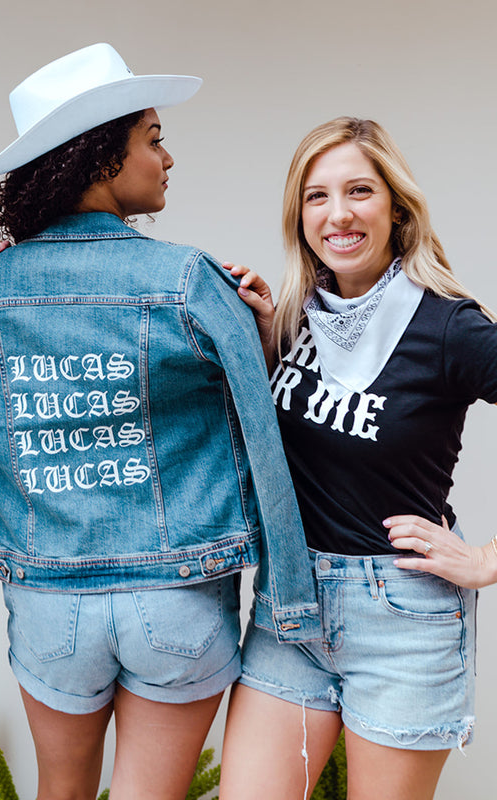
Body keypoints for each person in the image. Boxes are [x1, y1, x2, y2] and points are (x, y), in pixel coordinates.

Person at [0, 43, 319, 800]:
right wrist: (289, 595)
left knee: (60, 791)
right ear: (102, 155)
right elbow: (262, 432)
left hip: (50, 602)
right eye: (154, 139)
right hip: (179, 596)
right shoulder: (192, 279)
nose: (167, 158)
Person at [219, 116, 497, 800]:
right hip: (290, 608)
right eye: (316, 196)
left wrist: (488, 559)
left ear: (397, 207)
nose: (337, 214)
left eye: (359, 191)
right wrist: (268, 338)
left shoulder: (449, 326)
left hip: (401, 617)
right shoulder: (296, 316)